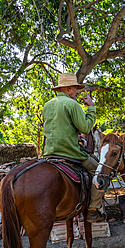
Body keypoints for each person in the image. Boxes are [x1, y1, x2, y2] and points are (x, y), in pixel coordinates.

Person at [42, 73, 104, 223]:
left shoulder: (47, 105)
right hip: (70, 153)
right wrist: (91, 108)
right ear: (69, 88)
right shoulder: (72, 104)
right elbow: (85, 127)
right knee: (99, 172)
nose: (78, 92)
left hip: (49, 154)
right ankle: (93, 209)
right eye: (76, 89)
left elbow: (57, 129)